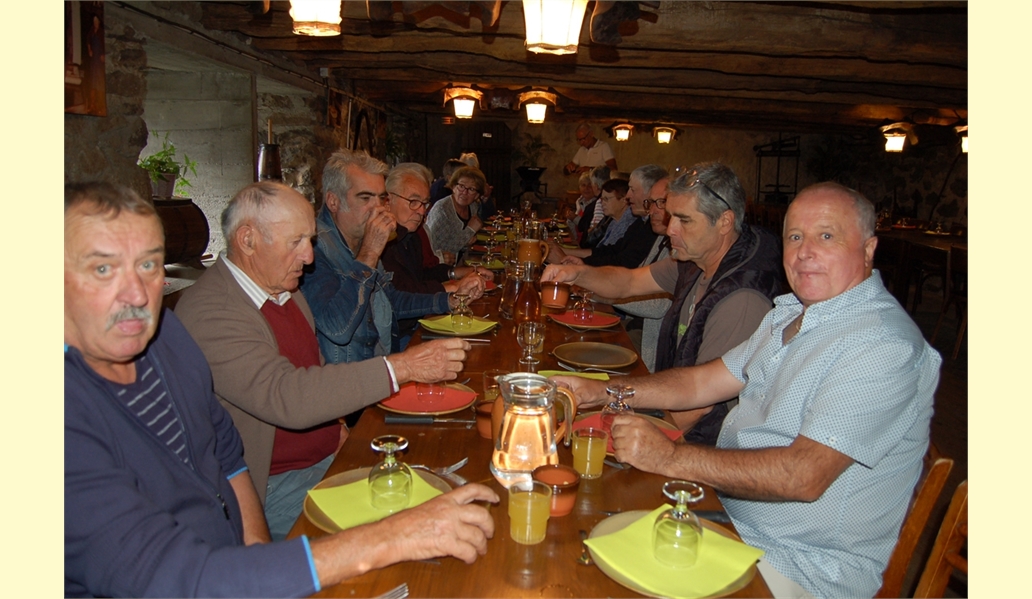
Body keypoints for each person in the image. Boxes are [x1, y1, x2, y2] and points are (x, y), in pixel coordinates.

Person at [65, 182, 498, 598]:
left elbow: (227, 452)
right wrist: (390, 537)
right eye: (103, 269)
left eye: (148, 265)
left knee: (456, 505)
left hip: (242, 530)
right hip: (232, 540)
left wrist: (255, 547)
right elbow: (179, 578)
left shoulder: (166, 337)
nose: (137, 294)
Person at [552, 182, 940, 598]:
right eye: (795, 237)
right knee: (576, 538)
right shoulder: (790, 315)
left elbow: (803, 476)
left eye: (826, 236)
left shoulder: (880, 344)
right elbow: (701, 382)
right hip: (728, 519)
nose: (805, 252)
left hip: (800, 567)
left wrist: (670, 457)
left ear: (868, 249)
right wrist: (601, 391)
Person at [176, 180, 472, 540]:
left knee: (445, 478)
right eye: (296, 242)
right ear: (248, 240)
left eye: (311, 240)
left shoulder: (283, 290)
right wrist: (404, 366)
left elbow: (314, 370)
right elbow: (288, 396)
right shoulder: (212, 311)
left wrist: (339, 430)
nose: (309, 257)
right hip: (268, 487)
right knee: (416, 526)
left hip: (322, 459)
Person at [545, 163, 782, 438]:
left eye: (684, 220)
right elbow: (629, 282)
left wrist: (611, 436)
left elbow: (699, 406)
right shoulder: (696, 261)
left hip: (702, 443)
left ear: (724, 222)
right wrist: (578, 274)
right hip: (673, 408)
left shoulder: (741, 299)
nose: (670, 229)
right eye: (671, 217)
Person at [300, 149, 483, 367]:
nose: (378, 208)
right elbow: (338, 328)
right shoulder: (313, 249)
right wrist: (369, 253)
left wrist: (451, 300)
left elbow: (392, 301)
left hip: (384, 361)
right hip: (353, 377)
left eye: (380, 198)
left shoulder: (359, 237)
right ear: (333, 201)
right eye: (365, 198)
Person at [381, 162, 492, 296]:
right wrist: (455, 286)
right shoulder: (382, 242)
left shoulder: (411, 236)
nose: (422, 211)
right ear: (387, 201)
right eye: (413, 202)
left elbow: (423, 275)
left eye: (424, 203)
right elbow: (403, 295)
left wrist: (461, 272)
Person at [607, 177, 673, 372]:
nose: (651, 211)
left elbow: (657, 307)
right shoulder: (661, 238)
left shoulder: (679, 248)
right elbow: (634, 277)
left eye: (661, 203)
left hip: (650, 340)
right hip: (636, 325)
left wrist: (603, 293)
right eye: (651, 203)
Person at [550, 164, 665, 269]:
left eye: (633, 190)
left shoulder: (649, 226)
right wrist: (566, 254)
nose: (628, 196)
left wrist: (567, 262)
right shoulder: (641, 222)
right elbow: (609, 251)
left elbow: (623, 264)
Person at [424, 165, 487, 258]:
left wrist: (467, 243)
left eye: (471, 189)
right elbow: (438, 249)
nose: (464, 192)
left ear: (477, 195)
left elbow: (462, 244)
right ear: (453, 187)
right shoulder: (442, 210)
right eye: (461, 186)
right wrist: (470, 230)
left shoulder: (473, 206)